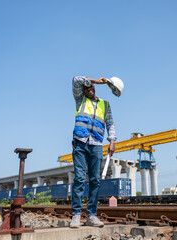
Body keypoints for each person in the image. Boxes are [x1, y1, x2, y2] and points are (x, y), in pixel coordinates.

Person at [70, 76, 116, 228]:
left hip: (96, 144)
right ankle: (76, 215)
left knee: (95, 180)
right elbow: (76, 79)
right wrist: (94, 80)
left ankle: (91, 216)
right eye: (85, 88)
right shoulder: (80, 100)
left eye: (90, 87)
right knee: (79, 179)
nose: (88, 90)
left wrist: (112, 141)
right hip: (80, 143)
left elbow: (110, 124)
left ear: (94, 89)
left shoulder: (105, 104)